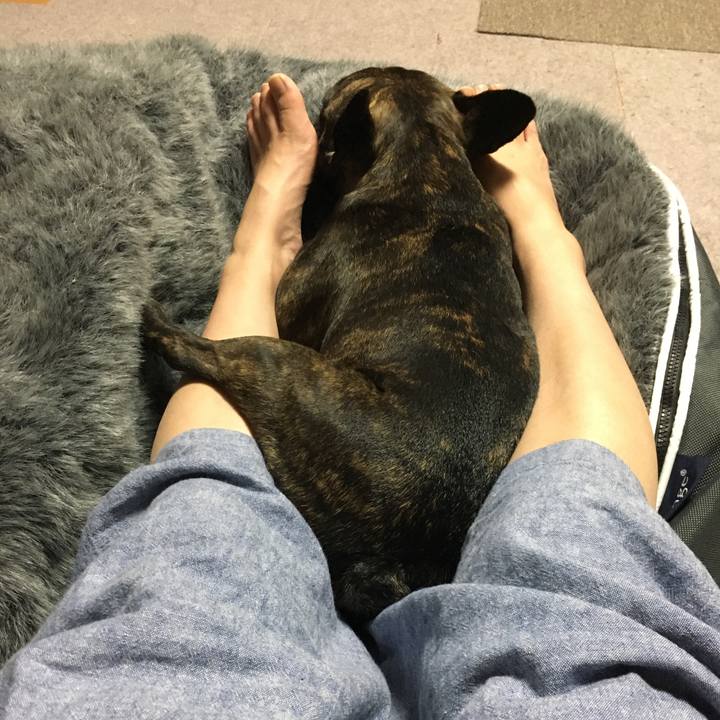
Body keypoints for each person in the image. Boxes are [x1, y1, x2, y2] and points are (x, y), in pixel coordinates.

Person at [1, 73, 719, 719]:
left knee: (202, 541)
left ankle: (261, 249)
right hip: (469, 534)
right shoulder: (476, 230)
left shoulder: (356, 226)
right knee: (579, 534)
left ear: (347, 150)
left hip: (360, 485)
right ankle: (546, 241)